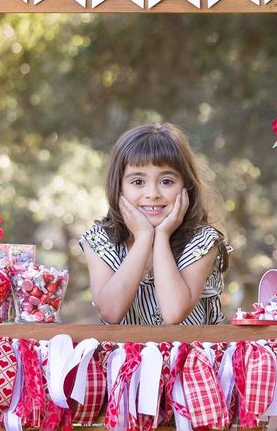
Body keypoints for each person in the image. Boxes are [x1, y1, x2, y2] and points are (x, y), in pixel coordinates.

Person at [80, 122, 232, 325]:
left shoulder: (202, 241)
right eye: (138, 182)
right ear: (119, 187)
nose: (152, 194)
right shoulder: (100, 240)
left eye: (166, 181)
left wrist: (161, 235)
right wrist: (143, 237)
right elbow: (110, 311)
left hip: (188, 357)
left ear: (185, 187)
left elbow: (174, 312)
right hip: (125, 357)